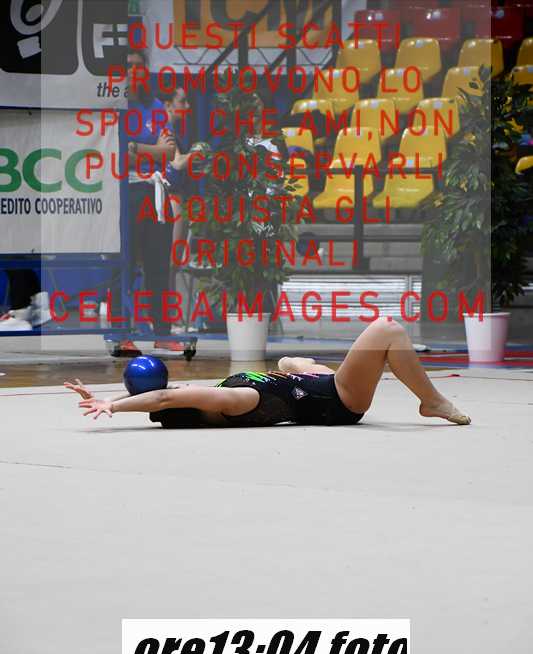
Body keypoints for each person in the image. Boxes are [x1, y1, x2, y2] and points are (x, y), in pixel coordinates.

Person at [65, 318, 471, 426]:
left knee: (290, 363)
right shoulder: (230, 401)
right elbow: (166, 397)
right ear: (191, 404)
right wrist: (113, 406)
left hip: (310, 383)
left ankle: (296, 366)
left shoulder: (222, 392)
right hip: (337, 399)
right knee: (387, 330)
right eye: (183, 391)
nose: (182, 385)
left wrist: (113, 397)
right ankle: (431, 401)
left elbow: (166, 395)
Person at [107, 49, 181, 356]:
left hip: (155, 192)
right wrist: (151, 150)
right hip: (125, 192)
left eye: (139, 66)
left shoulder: (156, 107)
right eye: (128, 66)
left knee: (158, 265)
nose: (134, 71)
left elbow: (169, 152)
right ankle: (121, 333)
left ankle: (162, 332)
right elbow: (118, 153)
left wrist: (138, 148)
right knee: (123, 265)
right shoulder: (114, 107)